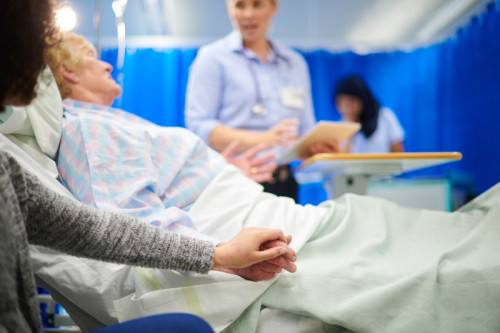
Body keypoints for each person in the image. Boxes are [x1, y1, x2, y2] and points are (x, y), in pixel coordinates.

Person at [0, 2, 297, 332]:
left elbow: (91, 229)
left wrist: (218, 253)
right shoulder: (85, 129)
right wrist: (217, 252)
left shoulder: (11, 171)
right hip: (226, 206)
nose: (43, 78)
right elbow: (123, 217)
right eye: (35, 55)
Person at [184, 0, 339, 201]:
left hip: (286, 184)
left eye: (257, 4)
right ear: (228, 8)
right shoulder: (212, 58)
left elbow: (304, 128)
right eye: (240, 5)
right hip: (236, 182)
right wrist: (261, 139)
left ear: (273, 7)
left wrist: (318, 148)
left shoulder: (294, 63)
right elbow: (198, 125)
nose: (248, 14)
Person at [334, 75, 405, 153]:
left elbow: (398, 153)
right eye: (342, 104)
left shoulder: (385, 116)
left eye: (351, 103)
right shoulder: (340, 126)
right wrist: (349, 133)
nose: (346, 109)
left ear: (363, 99)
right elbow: (342, 161)